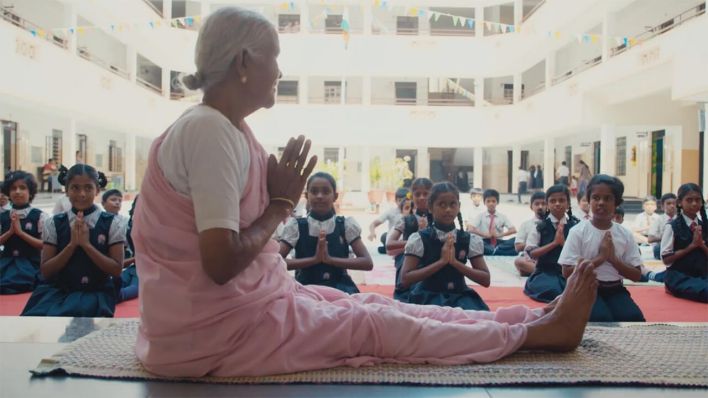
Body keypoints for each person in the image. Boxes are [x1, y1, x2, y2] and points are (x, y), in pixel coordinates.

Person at [132, 7, 599, 378]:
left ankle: (524, 323)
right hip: (211, 335)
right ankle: (534, 337)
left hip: (242, 312)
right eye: (273, 56)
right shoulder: (208, 132)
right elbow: (220, 264)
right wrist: (278, 205)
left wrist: (276, 203)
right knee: (372, 326)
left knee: (371, 305)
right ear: (243, 63)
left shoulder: (230, 131)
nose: (279, 69)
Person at [21, 164, 124, 317]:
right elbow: (46, 271)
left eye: (88, 188)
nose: (82, 194)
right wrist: (72, 245)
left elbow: (116, 269)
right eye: (75, 188)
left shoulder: (112, 223)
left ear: (97, 190)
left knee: (79, 320)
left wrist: (86, 245)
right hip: (58, 291)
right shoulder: (54, 222)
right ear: (66, 191)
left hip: (95, 293)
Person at [559, 175, 645, 322]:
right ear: (589, 200)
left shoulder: (624, 234)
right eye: (596, 198)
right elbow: (566, 272)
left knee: (633, 318)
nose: (601, 203)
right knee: (601, 319)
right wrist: (600, 258)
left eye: (608, 199)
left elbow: (637, 275)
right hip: (584, 289)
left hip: (615, 289)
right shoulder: (578, 231)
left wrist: (613, 260)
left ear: (617, 203)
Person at [399, 182, 490, 310]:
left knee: (480, 323)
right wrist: (441, 262)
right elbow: (405, 279)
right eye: (441, 205)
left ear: (459, 206)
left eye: (452, 204)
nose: (448, 209)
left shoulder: (468, 239)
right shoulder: (419, 239)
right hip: (428, 297)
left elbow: (485, 280)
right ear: (430, 207)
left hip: (460, 296)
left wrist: (455, 263)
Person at [279, 172, 373, 294]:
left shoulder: (345, 225)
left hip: (341, 288)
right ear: (307, 195)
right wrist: (314, 260)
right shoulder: (296, 226)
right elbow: (276, 261)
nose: (319, 196)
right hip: (305, 289)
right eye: (314, 191)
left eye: (325, 191)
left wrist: (330, 260)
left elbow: (367, 262)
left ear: (335, 196)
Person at [524, 185, 580, 303]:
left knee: (578, 291)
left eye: (561, 200)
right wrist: (554, 243)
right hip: (545, 272)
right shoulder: (540, 226)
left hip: (568, 272)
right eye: (553, 201)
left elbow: (580, 255)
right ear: (547, 204)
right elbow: (532, 253)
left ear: (568, 203)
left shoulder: (576, 226)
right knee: (553, 291)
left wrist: (564, 244)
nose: (557, 204)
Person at [0, 171, 48, 294]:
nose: (17, 192)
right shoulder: (3, 216)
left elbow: (45, 245)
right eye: (13, 188)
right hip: (6, 262)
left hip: (30, 263)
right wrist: (10, 232)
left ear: (30, 192)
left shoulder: (39, 216)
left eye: (22, 188)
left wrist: (21, 233)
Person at [386, 178, 433, 300]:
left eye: (426, 194)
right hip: (407, 257)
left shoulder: (439, 219)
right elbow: (389, 244)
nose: (422, 197)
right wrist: (419, 238)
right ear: (412, 197)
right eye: (417, 194)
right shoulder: (406, 220)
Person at [660, 183, 707, 303]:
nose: (694, 204)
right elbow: (666, 259)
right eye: (689, 200)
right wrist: (691, 246)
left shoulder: (705, 226)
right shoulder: (672, 227)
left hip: (703, 274)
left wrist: (701, 245)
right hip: (680, 276)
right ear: (679, 202)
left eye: (698, 200)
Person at [470, 189, 518, 256]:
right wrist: (484, 234)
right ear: (484, 202)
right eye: (488, 201)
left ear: (497, 202)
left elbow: (513, 230)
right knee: (472, 239)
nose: (491, 204)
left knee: (517, 239)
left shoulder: (502, 216)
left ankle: (494, 250)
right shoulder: (481, 216)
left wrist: (499, 235)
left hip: (499, 242)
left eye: (493, 201)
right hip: (485, 241)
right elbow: (471, 229)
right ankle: (498, 251)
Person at [514, 191, 546, 276]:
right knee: (519, 261)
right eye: (537, 204)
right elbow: (518, 247)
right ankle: (545, 273)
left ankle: (536, 272)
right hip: (530, 257)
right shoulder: (526, 225)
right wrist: (533, 244)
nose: (540, 207)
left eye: (543, 204)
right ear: (531, 206)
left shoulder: (554, 223)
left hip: (548, 257)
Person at [368, 187, 409, 254]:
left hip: (406, 239)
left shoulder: (412, 212)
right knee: (384, 236)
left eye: (404, 200)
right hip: (394, 240)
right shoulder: (391, 212)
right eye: (400, 200)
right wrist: (372, 233)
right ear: (395, 201)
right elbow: (373, 224)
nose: (402, 203)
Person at [648, 193, 677, 263]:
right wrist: (667, 236)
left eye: (674, 203)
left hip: (677, 245)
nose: (672, 206)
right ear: (662, 207)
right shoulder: (658, 219)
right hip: (662, 246)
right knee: (658, 248)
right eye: (668, 204)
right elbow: (650, 239)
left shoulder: (680, 219)